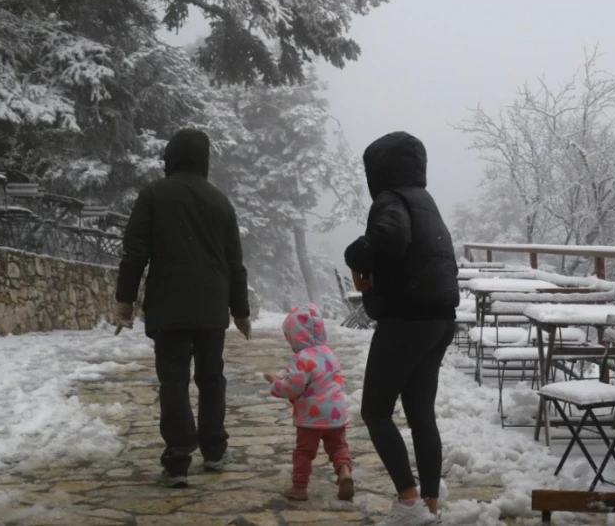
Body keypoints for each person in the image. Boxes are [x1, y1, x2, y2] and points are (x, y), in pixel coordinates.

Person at [113, 128, 252, 488]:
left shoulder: (154, 195)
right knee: (211, 378)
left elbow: (134, 253)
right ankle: (215, 451)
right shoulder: (220, 202)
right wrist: (240, 310)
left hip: (169, 306)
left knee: (173, 381)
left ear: (170, 157)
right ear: (204, 160)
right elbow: (235, 263)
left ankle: (177, 460)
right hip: (211, 308)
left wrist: (124, 301)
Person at [344, 131, 460, 526]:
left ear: (378, 170)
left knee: (375, 411)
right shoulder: (425, 201)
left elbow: (391, 236)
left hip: (408, 320)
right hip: (440, 319)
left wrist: (356, 255)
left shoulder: (391, 200)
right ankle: (429, 507)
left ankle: (408, 503)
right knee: (420, 413)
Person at [263, 303, 354, 502]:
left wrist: (276, 385)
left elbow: (293, 387)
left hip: (312, 416)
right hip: (336, 413)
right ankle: (345, 472)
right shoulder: (329, 353)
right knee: (338, 446)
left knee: (304, 451)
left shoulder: (301, 358)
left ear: (295, 336)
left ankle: (299, 488)